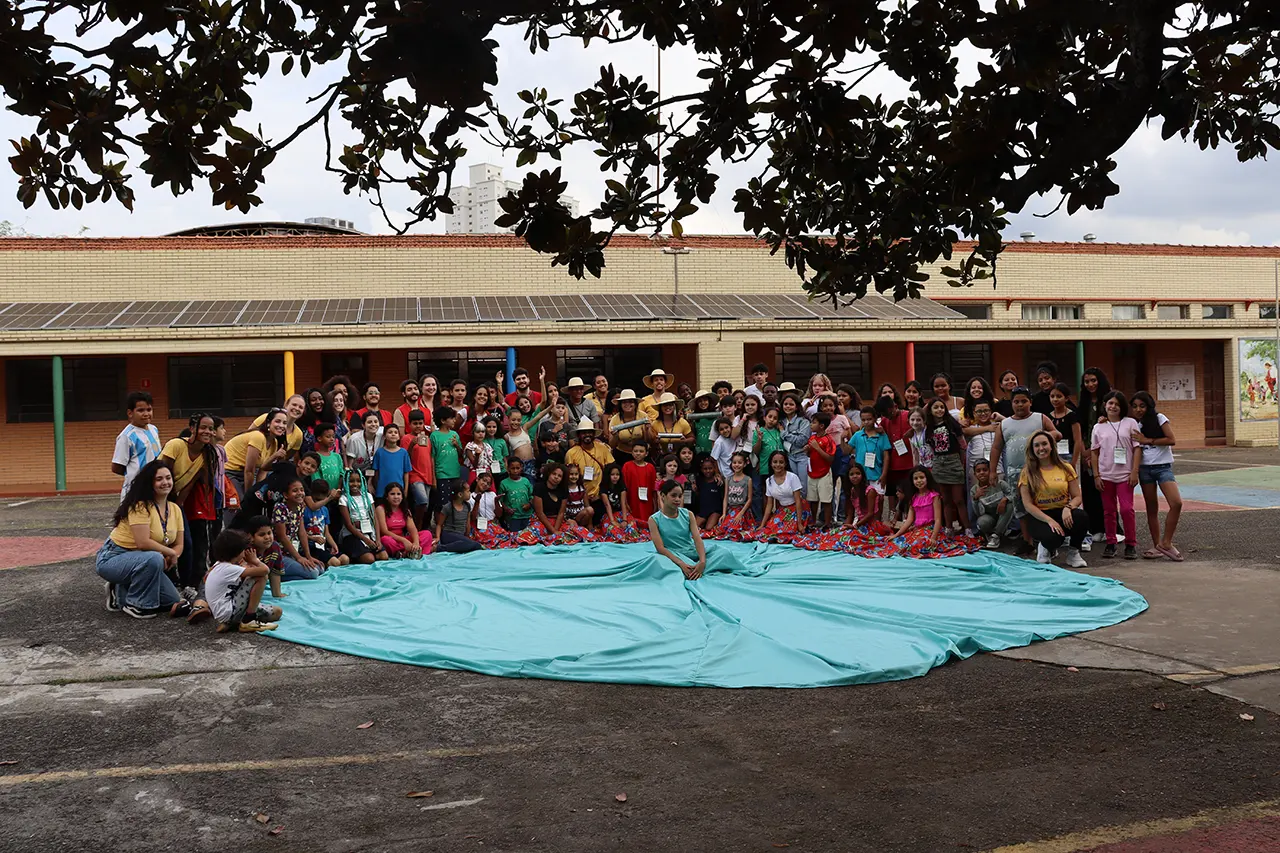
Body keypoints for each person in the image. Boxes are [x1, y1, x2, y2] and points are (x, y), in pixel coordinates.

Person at [97, 459, 187, 619]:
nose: (165, 482)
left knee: (171, 600)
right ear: (149, 483)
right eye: (159, 479)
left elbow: (179, 543)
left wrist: (172, 555)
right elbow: (143, 542)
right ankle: (136, 604)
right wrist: (167, 554)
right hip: (114, 557)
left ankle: (119, 589)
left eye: (168, 478)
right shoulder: (140, 506)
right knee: (153, 558)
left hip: (145, 560)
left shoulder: (174, 509)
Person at [988, 387, 1060, 555]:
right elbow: (996, 447)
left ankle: (1046, 540)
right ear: (1011, 403)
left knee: (1042, 504)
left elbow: (1056, 433)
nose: (1020, 405)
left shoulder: (1039, 418)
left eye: (1024, 401)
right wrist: (993, 471)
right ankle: (1027, 541)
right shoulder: (1005, 424)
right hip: (1015, 473)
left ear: (1030, 402)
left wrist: (1046, 437)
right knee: (1020, 508)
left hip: (1039, 469)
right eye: (1016, 402)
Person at [161, 412, 220, 596]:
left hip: (173, 501)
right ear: (193, 428)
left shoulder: (206, 454)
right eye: (203, 427)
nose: (208, 432)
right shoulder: (176, 445)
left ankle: (187, 584)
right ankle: (168, 579)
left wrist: (177, 507)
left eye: (211, 429)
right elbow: (162, 473)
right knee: (164, 540)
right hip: (156, 497)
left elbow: (190, 484)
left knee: (186, 540)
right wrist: (165, 506)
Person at [1018, 430, 1089, 567]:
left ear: (1051, 446)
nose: (1041, 448)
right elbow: (1027, 505)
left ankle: (1073, 552)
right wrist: (1049, 521)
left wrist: (1068, 508)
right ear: (1032, 450)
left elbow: (1077, 496)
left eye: (1044, 444)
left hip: (1062, 511)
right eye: (1037, 445)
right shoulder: (1027, 472)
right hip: (1040, 516)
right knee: (1053, 537)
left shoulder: (1065, 467)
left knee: (1082, 517)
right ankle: (1045, 547)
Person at [1130, 391, 1184, 561]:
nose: (1138, 410)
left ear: (1149, 406)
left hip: (1162, 468)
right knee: (1151, 508)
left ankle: (1166, 542)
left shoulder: (1159, 418)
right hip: (1145, 470)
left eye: (1142, 406)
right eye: (1135, 407)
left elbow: (1171, 439)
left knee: (1176, 503)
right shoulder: (1133, 424)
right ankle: (1157, 546)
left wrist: (1148, 440)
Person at [1090, 390, 1140, 560]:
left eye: (1117, 404)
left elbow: (1137, 448)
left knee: (1127, 509)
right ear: (1105, 405)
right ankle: (1111, 543)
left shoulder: (1131, 423)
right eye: (1110, 403)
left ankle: (1131, 544)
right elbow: (1094, 452)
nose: (1113, 407)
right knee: (1109, 511)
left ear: (1122, 407)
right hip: (1106, 475)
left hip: (1126, 475)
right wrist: (1096, 475)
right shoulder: (1098, 427)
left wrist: (1135, 471)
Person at [203, 529, 282, 634]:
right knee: (261, 577)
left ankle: (232, 623)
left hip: (226, 610)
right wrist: (255, 561)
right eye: (243, 550)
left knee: (277, 612)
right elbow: (265, 570)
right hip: (229, 610)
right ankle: (248, 620)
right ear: (236, 552)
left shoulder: (219, 564)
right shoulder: (228, 568)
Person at [924, 397, 970, 535]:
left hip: (954, 461)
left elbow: (962, 444)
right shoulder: (929, 428)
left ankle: (967, 528)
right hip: (939, 463)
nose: (939, 410)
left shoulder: (952, 424)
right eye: (936, 407)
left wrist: (962, 463)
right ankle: (949, 528)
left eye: (941, 407)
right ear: (930, 411)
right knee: (946, 499)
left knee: (959, 499)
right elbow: (931, 447)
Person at [1077, 368, 1113, 540]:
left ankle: (1111, 529)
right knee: (1089, 490)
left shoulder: (1110, 400)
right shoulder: (1083, 402)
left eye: (1093, 380)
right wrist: (1085, 453)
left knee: (1105, 490)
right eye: (1086, 381)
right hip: (1087, 451)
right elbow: (1081, 430)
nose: (1090, 384)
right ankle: (1094, 528)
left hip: (1105, 452)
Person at [649, 479, 710, 580]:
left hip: (691, 552)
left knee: (723, 554)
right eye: (673, 495)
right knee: (658, 561)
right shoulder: (654, 520)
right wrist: (680, 563)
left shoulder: (688, 514)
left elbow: (697, 539)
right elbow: (660, 549)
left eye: (680, 496)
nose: (677, 499)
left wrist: (702, 562)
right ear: (663, 496)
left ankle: (698, 567)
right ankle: (692, 568)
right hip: (672, 555)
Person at [111, 391, 162, 498]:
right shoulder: (127, 436)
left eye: (149, 409)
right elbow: (116, 467)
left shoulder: (154, 429)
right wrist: (137, 475)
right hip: (136, 491)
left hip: (155, 487)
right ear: (130, 413)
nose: (146, 414)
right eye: (140, 410)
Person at [271, 477, 323, 580]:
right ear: (286, 495)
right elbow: (282, 537)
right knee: (313, 573)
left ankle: (280, 575)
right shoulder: (280, 509)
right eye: (295, 491)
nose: (299, 493)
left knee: (320, 568)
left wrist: (308, 556)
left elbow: (302, 532)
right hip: (279, 554)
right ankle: (273, 575)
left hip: (292, 553)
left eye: (302, 490)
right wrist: (299, 558)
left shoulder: (300, 507)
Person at [565, 416, 614, 522]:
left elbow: (611, 469)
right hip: (578, 499)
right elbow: (569, 478)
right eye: (583, 432)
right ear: (578, 435)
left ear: (593, 434)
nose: (587, 435)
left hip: (599, 497)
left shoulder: (602, 448)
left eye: (589, 432)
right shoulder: (571, 453)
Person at [337, 469, 387, 564]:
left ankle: (367, 550)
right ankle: (355, 554)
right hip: (352, 534)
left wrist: (378, 539)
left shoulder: (368, 496)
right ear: (346, 482)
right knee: (369, 559)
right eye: (351, 481)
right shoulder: (344, 499)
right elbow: (348, 524)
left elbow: (374, 518)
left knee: (383, 556)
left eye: (358, 481)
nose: (355, 484)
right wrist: (366, 541)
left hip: (369, 532)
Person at [377, 482, 432, 558]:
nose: (396, 497)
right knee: (385, 540)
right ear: (386, 497)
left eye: (398, 494)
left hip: (404, 542)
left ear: (402, 497)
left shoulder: (405, 510)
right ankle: (410, 552)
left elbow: (413, 530)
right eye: (392, 494)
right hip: (392, 540)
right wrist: (403, 540)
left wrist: (416, 542)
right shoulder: (380, 509)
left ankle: (407, 552)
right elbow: (384, 531)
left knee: (427, 534)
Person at [758, 450, 805, 537]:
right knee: (770, 530)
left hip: (797, 510)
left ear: (785, 464)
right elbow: (769, 505)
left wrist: (799, 523)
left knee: (787, 532)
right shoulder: (769, 481)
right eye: (775, 462)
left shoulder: (792, 477)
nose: (778, 465)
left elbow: (798, 501)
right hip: (782, 510)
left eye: (781, 462)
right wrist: (762, 524)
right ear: (771, 464)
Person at [401, 410, 435, 530]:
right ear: (409, 424)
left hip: (428, 477)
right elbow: (405, 457)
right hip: (415, 475)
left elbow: (431, 459)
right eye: (415, 424)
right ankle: (415, 527)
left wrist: (434, 478)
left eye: (420, 423)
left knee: (425, 506)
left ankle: (420, 528)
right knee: (422, 501)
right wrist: (411, 445)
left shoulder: (428, 438)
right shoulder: (406, 438)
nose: (418, 426)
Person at [893, 466, 943, 547]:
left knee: (919, 545)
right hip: (917, 531)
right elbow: (909, 520)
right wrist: (896, 535)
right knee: (898, 544)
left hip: (931, 531)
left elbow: (938, 520)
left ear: (927, 478)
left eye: (922, 477)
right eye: (916, 478)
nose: (919, 481)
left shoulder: (934, 496)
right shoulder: (913, 498)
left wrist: (933, 538)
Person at [970, 458, 1014, 549]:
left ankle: (996, 535)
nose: (982, 473)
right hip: (989, 518)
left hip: (1002, 515)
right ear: (975, 474)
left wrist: (1005, 499)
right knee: (982, 522)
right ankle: (991, 534)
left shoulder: (1000, 484)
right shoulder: (974, 490)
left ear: (990, 471)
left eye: (985, 470)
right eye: (978, 471)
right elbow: (978, 513)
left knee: (1010, 504)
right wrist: (976, 499)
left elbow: (1013, 495)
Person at [430, 406, 465, 516]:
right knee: (443, 503)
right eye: (452, 418)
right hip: (442, 475)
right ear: (443, 420)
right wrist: (434, 479)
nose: (454, 420)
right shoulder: (434, 435)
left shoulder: (454, 434)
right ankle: (440, 526)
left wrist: (457, 445)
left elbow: (461, 454)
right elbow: (432, 457)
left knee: (454, 501)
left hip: (455, 474)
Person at [303, 479, 347, 568]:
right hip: (311, 547)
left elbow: (326, 533)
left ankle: (325, 563)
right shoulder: (304, 510)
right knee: (335, 563)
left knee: (345, 559)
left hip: (323, 546)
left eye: (321, 499)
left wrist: (333, 545)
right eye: (317, 499)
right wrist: (312, 538)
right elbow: (300, 533)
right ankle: (323, 564)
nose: (319, 502)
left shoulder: (325, 510)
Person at [806, 411, 837, 528]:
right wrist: (807, 450)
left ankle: (827, 523)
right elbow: (810, 454)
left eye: (813, 423)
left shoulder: (828, 439)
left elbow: (830, 458)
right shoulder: (812, 438)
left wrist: (818, 448)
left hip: (824, 473)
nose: (811, 425)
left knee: (826, 500)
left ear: (822, 426)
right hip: (812, 472)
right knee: (813, 499)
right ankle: (813, 522)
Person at [851, 406, 891, 494]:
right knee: (861, 502)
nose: (866, 422)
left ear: (875, 419)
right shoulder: (857, 435)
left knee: (878, 500)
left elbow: (886, 456)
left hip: (877, 474)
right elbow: (847, 450)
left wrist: (884, 474)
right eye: (863, 420)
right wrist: (842, 439)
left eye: (869, 419)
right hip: (860, 476)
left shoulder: (882, 435)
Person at [780, 390, 812, 491]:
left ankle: (805, 507)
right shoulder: (781, 421)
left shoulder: (803, 422)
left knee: (803, 485)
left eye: (791, 404)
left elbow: (801, 440)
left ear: (797, 407)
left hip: (801, 455)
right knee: (791, 486)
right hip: (787, 456)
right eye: (785, 404)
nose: (788, 406)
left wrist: (784, 433)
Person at [608, 388, 650, 466]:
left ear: (635, 404)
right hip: (621, 455)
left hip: (640, 455)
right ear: (620, 405)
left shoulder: (643, 416)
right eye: (624, 402)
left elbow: (648, 440)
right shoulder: (615, 419)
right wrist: (615, 436)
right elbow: (612, 445)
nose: (627, 404)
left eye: (631, 402)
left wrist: (647, 430)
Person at [371, 423, 413, 499]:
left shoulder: (403, 453)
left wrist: (406, 490)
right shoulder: (379, 452)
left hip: (398, 492)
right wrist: (376, 487)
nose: (393, 434)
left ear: (399, 436)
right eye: (390, 432)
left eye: (396, 432)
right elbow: (376, 473)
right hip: (382, 491)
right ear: (384, 436)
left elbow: (406, 473)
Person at [648, 393, 693, 457]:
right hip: (661, 457)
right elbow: (651, 441)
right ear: (660, 407)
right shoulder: (655, 424)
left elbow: (692, 438)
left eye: (670, 405)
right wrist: (656, 441)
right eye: (665, 405)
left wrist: (684, 441)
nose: (668, 407)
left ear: (674, 407)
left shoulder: (682, 422)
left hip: (679, 457)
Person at [622, 440, 656, 522]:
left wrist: (655, 504)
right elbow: (623, 487)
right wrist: (625, 503)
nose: (638, 453)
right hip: (632, 499)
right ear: (632, 452)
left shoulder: (651, 467)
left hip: (647, 500)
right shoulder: (627, 466)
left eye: (641, 451)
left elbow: (653, 488)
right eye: (635, 451)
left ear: (646, 453)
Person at [498, 456, 535, 532]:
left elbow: (532, 496)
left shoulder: (526, 481)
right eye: (513, 468)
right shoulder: (503, 483)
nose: (515, 471)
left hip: (527, 515)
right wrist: (507, 509)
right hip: (513, 516)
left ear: (521, 468)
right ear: (508, 469)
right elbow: (500, 501)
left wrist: (529, 504)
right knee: (514, 536)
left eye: (517, 468)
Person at [532, 463, 568, 534]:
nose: (556, 477)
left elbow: (561, 513)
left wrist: (556, 530)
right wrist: (553, 531)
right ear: (548, 474)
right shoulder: (539, 487)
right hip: (541, 520)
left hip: (557, 521)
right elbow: (540, 513)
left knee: (575, 531)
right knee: (535, 532)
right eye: (554, 474)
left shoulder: (564, 489)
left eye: (559, 476)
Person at [844, 464, 882, 529]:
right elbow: (850, 514)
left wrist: (855, 526)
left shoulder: (870, 491)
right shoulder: (851, 491)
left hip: (872, 525)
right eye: (851, 474)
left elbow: (870, 514)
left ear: (862, 475)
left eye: (858, 473)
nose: (855, 476)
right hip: (859, 524)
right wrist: (845, 526)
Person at [692, 456, 724, 530]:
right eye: (705, 469)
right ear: (701, 469)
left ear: (714, 469)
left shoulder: (718, 481)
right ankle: (703, 523)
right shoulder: (699, 480)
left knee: (709, 528)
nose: (708, 471)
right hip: (703, 510)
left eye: (710, 468)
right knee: (694, 528)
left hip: (715, 510)